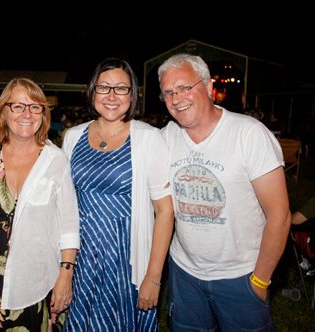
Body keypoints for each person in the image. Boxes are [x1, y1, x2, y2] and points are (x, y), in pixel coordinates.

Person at [157, 53, 291, 331]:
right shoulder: (165, 137)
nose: (177, 98)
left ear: (207, 87)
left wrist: (260, 281)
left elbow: (279, 215)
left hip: (240, 276)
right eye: (168, 92)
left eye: (185, 87)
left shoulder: (249, 134)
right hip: (185, 274)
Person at [61, 57, 174, 331]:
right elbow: (63, 205)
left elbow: (165, 211)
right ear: (92, 91)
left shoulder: (148, 138)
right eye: (104, 87)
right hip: (81, 257)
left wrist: (153, 277)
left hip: (125, 259)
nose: (112, 96)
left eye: (121, 88)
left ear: (132, 94)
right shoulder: (72, 137)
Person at [0, 77, 80, 331]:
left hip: (35, 285)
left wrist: (66, 275)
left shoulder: (55, 160)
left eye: (34, 106)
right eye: (17, 106)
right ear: (3, 112)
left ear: (43, 113)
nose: (26, 113)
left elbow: (69, 224)